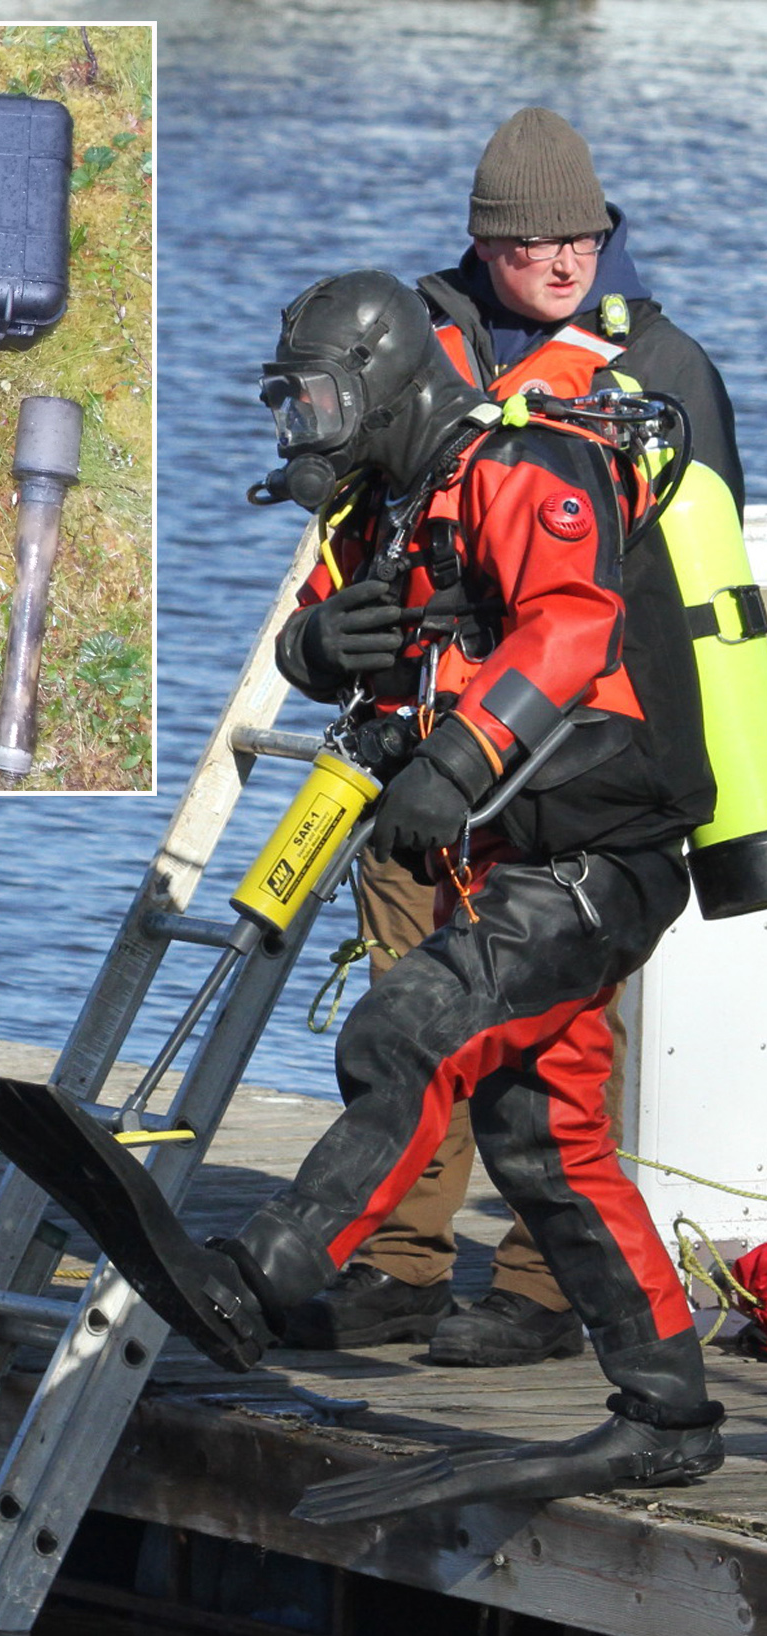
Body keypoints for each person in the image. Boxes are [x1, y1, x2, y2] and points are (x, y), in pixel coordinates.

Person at [0, 269, 726, 1518]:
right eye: (285, 405)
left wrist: (462, 758)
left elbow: (570, 633)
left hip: (602, 859)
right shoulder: (391, 506)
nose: (300, 428)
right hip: (516, 860)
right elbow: (326, 624)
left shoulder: (529, 471)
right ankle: (668, 1409)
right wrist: (314, 650)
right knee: (545, 1141)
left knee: (405, 1028)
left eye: (314, 400)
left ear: (385, 379)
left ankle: (260, 1281)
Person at [288, 107, 745, 1369]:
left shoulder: (662, 369)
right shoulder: (416, 338)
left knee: (552, 1044)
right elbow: (349, 521)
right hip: (422, 741)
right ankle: (397, 1265)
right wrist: (323, 644)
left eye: (581, 236)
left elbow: (694, 591)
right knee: (407, 998)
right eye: (532, 241)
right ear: (484, 244)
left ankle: (545, 1291)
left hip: (583, 771)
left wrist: (708, 804)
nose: (560, 261)